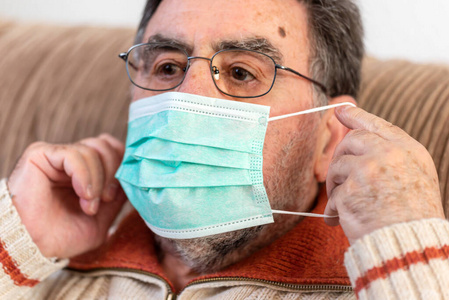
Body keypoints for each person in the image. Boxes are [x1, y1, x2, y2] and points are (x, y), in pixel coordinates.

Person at [1, 0, 448, 299]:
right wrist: (17, 246)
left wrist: (406, 251)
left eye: (240, 73)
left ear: (328, 138)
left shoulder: (389, 276)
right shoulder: (49, 249)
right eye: (168, 66)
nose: (186, 98)